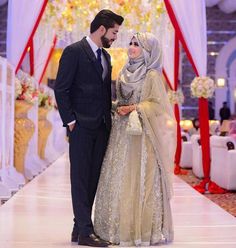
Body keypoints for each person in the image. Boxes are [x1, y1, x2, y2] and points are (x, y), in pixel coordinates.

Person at [94, 32, 176, 246]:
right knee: (118, 176)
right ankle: (115, 228)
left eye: (137, 45)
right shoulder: (122, 71)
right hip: (121, 134)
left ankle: (139, 230)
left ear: (148, 51)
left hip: (142, 138)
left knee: (139, 179)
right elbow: (120, 99)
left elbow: (158, 106)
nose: (131, 47)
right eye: (130, 43)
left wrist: (134, 108)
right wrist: (114, 106)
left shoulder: (151, 76)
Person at [54, 9, 124, 247]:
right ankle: (85, 231)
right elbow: (61, 89)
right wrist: (71, 121)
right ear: (102, 29)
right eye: (114, 32)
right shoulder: (74, 51)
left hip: (103, 126)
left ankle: (79, 226)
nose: (115, 37)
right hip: (81, 127)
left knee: (93, 177)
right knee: (80, 178)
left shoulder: (106, 57)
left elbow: (104, 93)